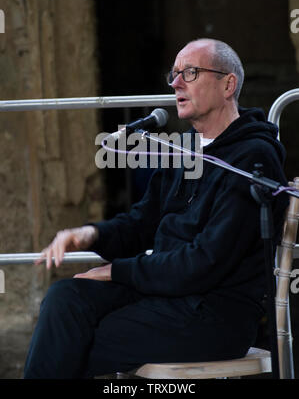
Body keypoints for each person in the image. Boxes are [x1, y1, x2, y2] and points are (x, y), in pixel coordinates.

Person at [24, 38, 289, 379]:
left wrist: (118, 271)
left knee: (76, 338)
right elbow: (139, 225)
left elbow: (205, 261)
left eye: (190, 72)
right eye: (174, 74)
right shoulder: (185, 152)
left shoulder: (254, 158)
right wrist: (89, 233)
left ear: (228, 84)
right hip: (163, 296)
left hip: (212, 315)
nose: (176, 83)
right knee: (66, 298)